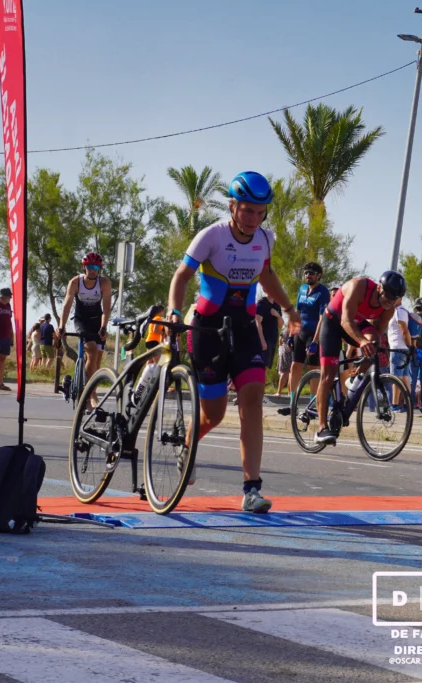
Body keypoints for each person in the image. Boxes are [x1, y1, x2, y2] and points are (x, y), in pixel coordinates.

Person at [167, 171, 300, 513]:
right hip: (208, 330)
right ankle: (188, 443)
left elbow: (267, 275)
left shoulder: (266, 239)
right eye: (247, 210)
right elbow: (181, 276)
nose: (254, 218)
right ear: (232, 206)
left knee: (252, 400)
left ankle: (252, 489)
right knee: (213, 414)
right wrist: (173, 311)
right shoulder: (211, 236)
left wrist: (288, 309)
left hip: (243, 328)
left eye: (260, 212)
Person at [313, 271, 406, 445]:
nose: (389, 302)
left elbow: (378, 332)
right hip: (334, 321)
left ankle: (355, 381)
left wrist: (372, 350)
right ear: (379, 287)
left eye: (395, 299)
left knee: (374, 342)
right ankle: (321, 429)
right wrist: (361, 341)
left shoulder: (389, 308)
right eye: (388, 297)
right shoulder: (359, 286)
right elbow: (345, 321)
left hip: (357, 322)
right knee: (328, 374)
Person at [58, 253, 112, 388]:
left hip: (97, 320)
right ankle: (88, 395)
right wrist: (61, 326)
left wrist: (104, 327)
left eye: (95, 267)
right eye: (89, 267)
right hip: (81, 319)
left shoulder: (104, 283)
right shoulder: (75, 282)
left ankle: (88, 385)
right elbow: (67, 305)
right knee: (92, 350)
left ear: (99, 269)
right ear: (84, 267)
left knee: (97, 361)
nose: (92, 270)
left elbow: (106, 309)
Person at [289, 262, 330, 400]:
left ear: (319, 276)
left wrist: (315, 341)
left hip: (313, 334)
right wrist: (290, 334)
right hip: (300, 332)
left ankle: (313, 401)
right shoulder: (302, 289)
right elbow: (297, 313)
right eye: (306, 273)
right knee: (295, 366)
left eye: (311, 273)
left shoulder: (323, 292)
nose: (308, 275)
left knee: (313, 368)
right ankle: (292, 400)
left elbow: (322, 319)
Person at [387, 300, 414, 411]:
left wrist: (409, 344)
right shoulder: (402, 311)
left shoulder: (399, 311)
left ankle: (394, 404)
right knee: (404, 377)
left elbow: (404, 330)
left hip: (398, 348)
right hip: (403, 348)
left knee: (395, 378)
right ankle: (408, 403)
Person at [276, 327, 293, 396]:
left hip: (283, 349)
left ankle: (280, 392)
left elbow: (280, 341)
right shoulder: (293, 328)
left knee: (286, 372)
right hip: (290, 350)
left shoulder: (284, 329)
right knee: (289, 372)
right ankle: (289, 392)